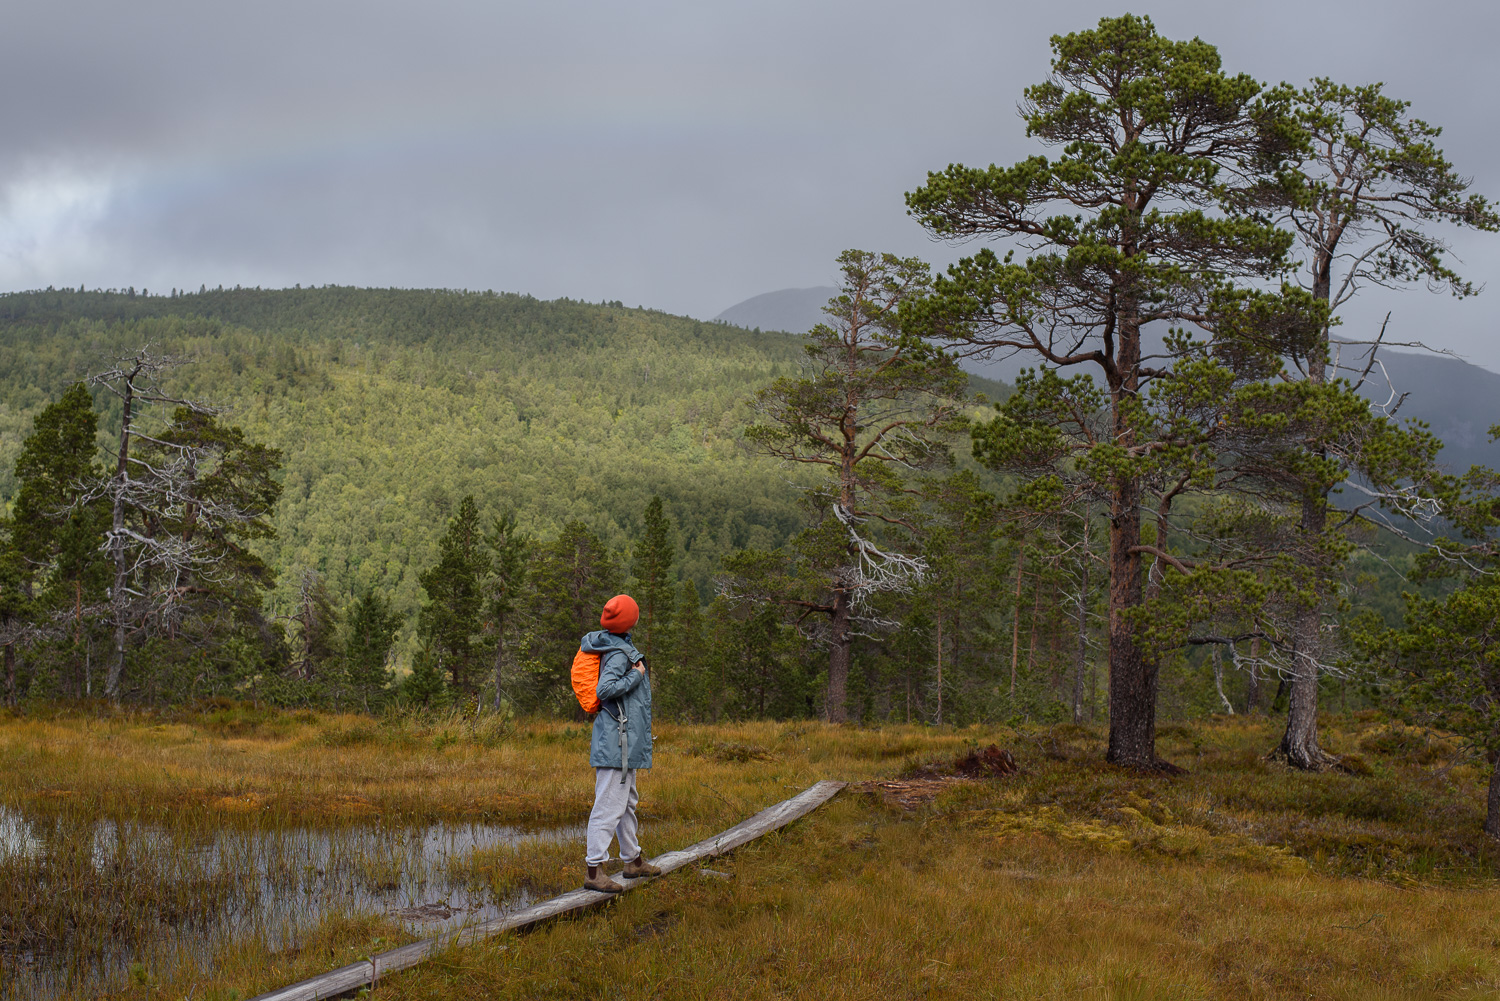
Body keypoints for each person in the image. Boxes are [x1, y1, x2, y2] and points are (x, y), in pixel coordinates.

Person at [582, 593, 662, 893]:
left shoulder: (617, 646)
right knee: (608, 805)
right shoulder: (618, 654)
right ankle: (594, 870)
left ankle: (633, 860)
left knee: (625, 803)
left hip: (622, 743)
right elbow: (605, 690)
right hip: (617, 744)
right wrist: (637, 676)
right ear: (630, 620)